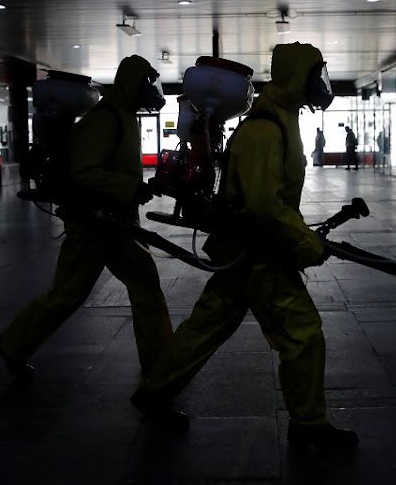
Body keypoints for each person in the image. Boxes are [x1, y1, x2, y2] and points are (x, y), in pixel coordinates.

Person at [131, 42, 359, 450]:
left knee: (206, 325)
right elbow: (265, 206)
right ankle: (308, 425)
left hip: (243, 250)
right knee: (303, 333)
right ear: (298, 77)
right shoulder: (265, 129)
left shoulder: (279, 119)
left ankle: (154, 390)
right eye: (314, 74)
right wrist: (306, 244)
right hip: (259, 253)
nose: (319, 84)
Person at [0, 55, 173, 383]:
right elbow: (85, 172)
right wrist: (129, 187)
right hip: (92, 226)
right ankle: (14, 344)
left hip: (117, 223)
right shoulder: (105, 120)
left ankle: (161, 361)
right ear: (135, 83)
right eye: (148, 81)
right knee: (67, 294)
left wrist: (133, 189)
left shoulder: (122, 116)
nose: (153, 90)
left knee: (146, 287)